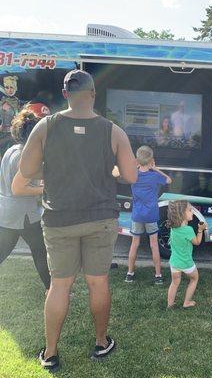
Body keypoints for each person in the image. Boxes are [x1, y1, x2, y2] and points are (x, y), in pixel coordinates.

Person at [19, 69, 137, 371]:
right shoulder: (113, 131)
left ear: (65, 94)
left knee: (59, 286)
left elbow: (28, 169)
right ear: (93, 94)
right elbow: (131, 175)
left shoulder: (46, 126)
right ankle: (100, 342)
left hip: (60, 219)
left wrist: (57, 169)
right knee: (98, 283)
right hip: (101, 219)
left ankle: (50, 353)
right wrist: (107, 171)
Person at [0, 108, 50, 292]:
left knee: (4, 251)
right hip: (23, 215)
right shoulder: (25, 155)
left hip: (7, 211)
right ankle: (51, 289)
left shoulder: (11, 150)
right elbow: (19, 188)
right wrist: (45, 189)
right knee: (40, 252)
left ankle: (50, 288)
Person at [125, 146, 172, 284]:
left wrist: (136, 164)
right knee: (154, 245)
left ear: (137, 160)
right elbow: (169, 180)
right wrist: (155, 168)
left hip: (137, 215)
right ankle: (158, 276)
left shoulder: (133, 175)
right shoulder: (155, 176)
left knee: (134, 244)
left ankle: (130, 273)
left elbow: (127, 172)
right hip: (151, 215)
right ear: (151, 160)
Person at [166, 200, 207, 309]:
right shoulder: (188, 230)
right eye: (190, 210)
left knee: (174, 283)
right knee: (194, 279)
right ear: (182, 214)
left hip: (174, 262)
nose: (193, 212)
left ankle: (170, 304)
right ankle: (186, 303)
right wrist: (200, 230)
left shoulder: (173, 228)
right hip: (186, 263)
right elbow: (197, 242)